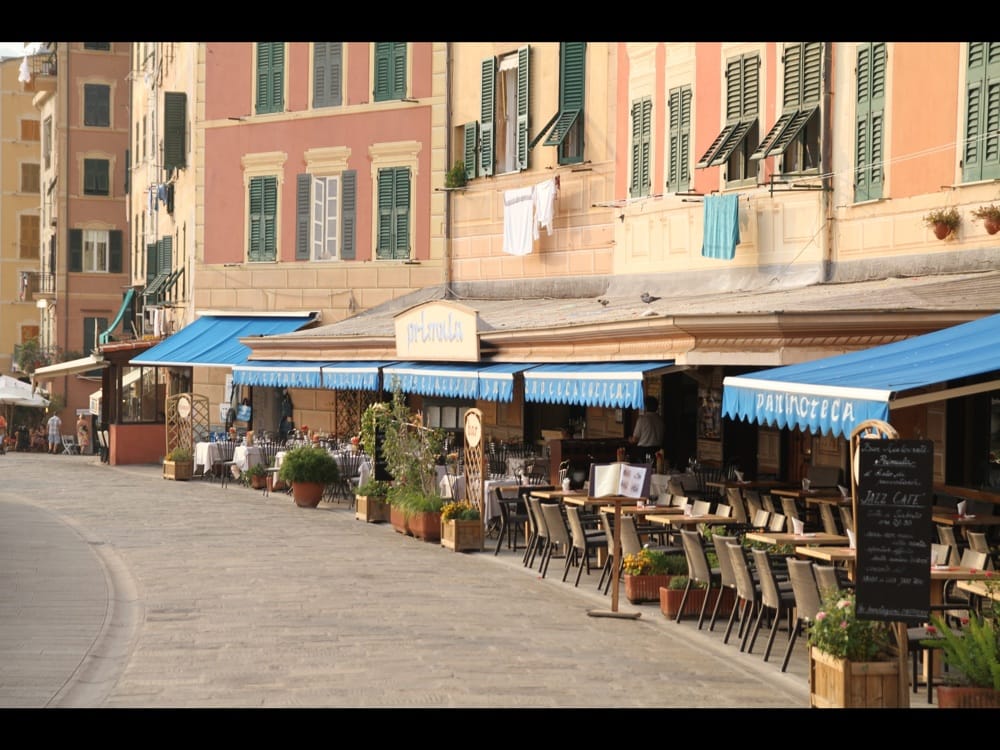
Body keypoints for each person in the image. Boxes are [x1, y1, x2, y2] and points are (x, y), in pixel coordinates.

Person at [629, 395, 664, 462]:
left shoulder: (642, 419)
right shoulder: (660, 420)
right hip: (657, 451)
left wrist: (630, 439)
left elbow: (635, 439)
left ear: (646, 407)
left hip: (643, 452)